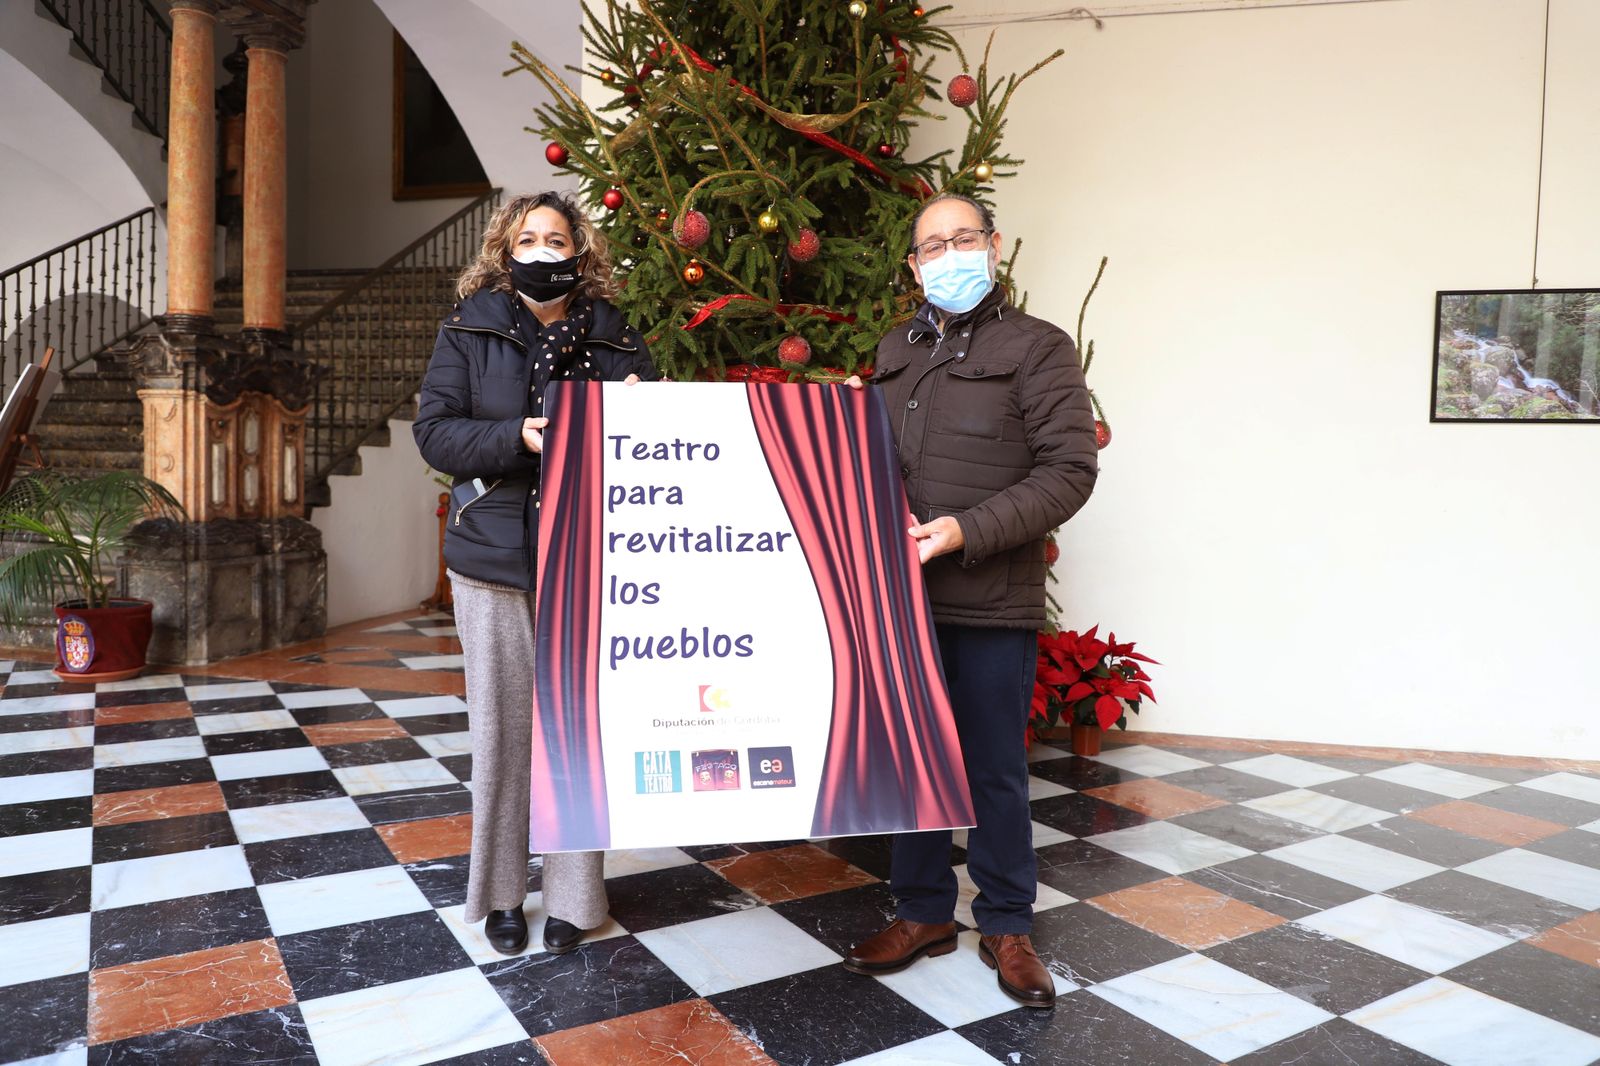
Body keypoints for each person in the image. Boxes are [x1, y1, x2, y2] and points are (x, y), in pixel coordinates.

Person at [841, 193, 1098, 1007]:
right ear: (913, 267)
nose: (949, 254)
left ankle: (1007, 923)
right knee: (911, 760)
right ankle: (921, 913)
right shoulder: (894, 349)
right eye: (932, 246)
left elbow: (1069, 471)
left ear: (993, 248)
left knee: (992, 769)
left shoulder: (1039, 348)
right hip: (900, 603)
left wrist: (964, 531)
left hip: (990, 595)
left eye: (964, 238)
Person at [414, 191, 655, 955]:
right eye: (530, 239)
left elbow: (658, 443)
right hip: (492, 558)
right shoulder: (469, 330)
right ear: (505, 250)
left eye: (558, 239)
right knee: (503, 733)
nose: (544, 251)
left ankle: (577, 900)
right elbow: (436, 434)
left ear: (581, 252)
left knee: (577, 734)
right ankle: (503, 896)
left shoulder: (618, 343)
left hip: (589, 559)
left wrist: (638, 418)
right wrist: (516, 435)